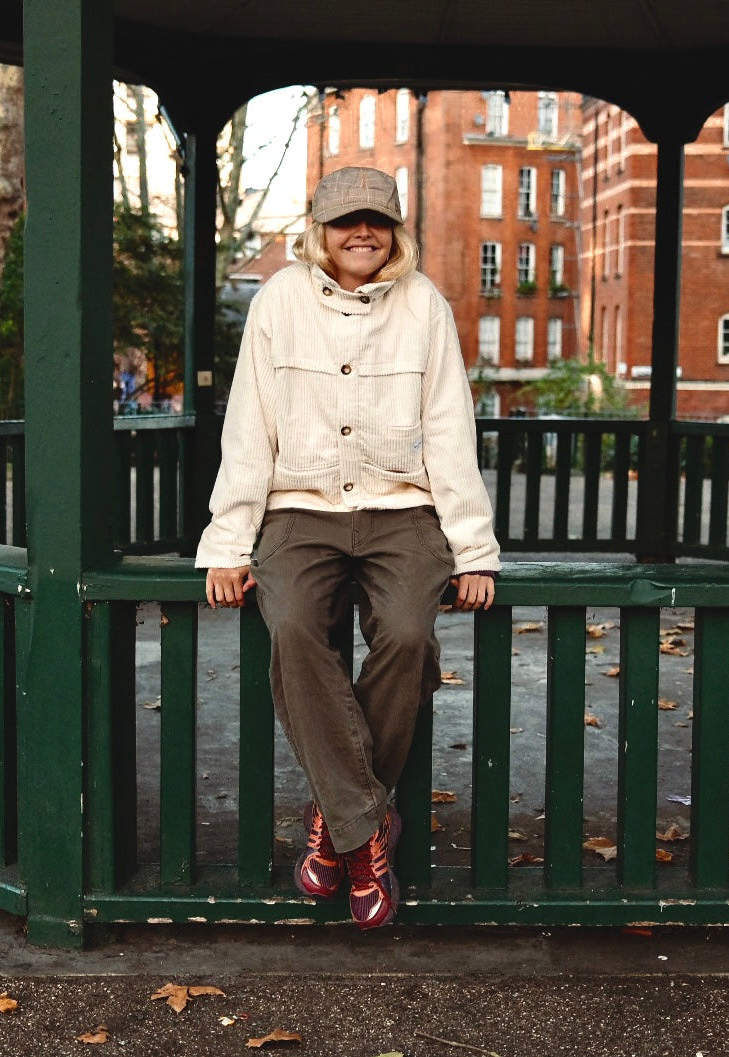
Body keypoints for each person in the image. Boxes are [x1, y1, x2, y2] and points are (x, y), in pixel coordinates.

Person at [196, 166, 501, 930]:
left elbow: (450, 428)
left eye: (376, 220)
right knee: (293, 625)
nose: (360, 232)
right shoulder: (277, 302)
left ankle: (339, 826)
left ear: (395, 231)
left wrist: (472, 548)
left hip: (403, 509)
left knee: (405, 632)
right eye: (344, 221)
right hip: (300, 508)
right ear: (319, 230)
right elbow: (247, 428)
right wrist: (229, 542)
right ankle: (368, 828)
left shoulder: (423, 304)